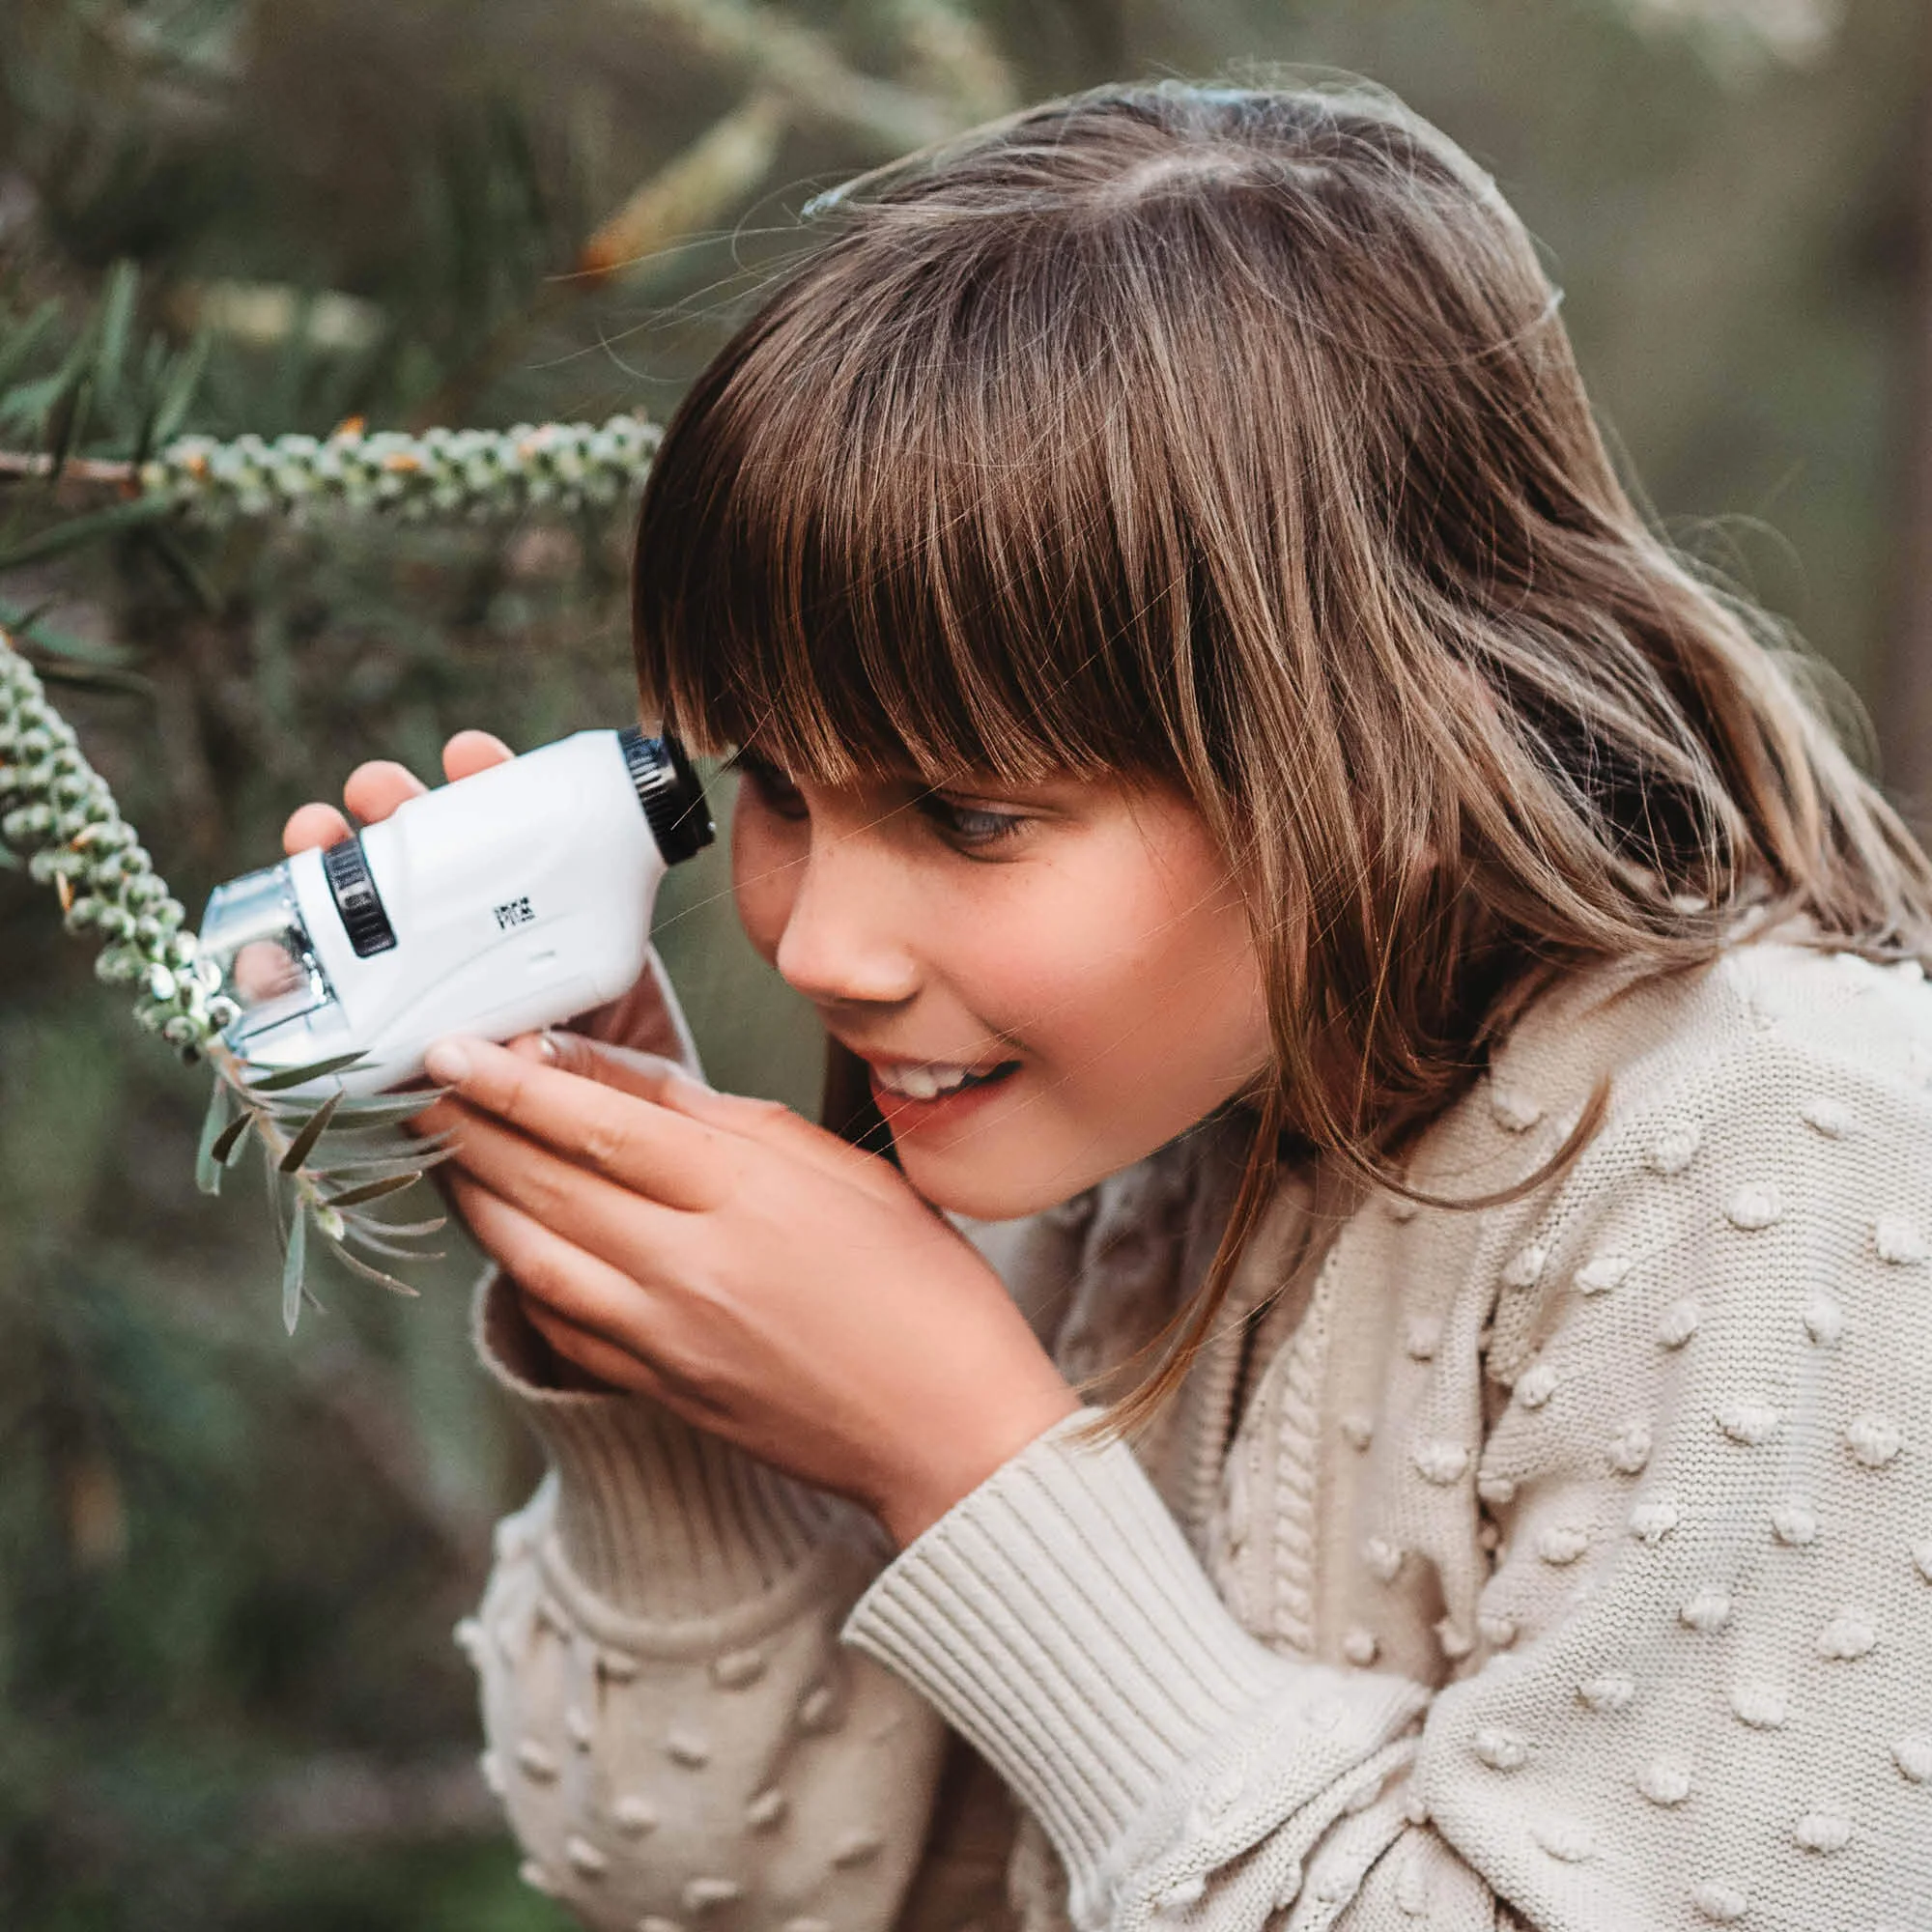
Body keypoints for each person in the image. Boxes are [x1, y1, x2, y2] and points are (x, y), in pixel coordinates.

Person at [285, 75, 1932, 1932]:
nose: (821, 947)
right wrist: (661, 1346)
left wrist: (964, 1452)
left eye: (968, 813)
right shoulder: (1120, 1123)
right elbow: (702, 1875)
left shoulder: (1790, 1164)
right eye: (774, 786)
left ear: (1382, 754)